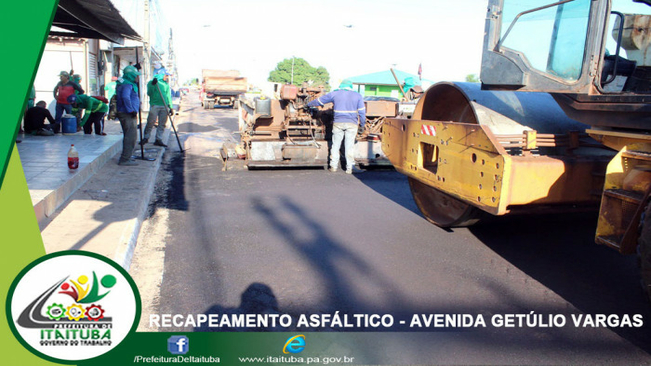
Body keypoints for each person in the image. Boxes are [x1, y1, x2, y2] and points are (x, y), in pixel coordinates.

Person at [307, 80, 366, 174]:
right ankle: (350, 168)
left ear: (341, 86)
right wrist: (362, 125)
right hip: (352, 124)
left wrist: (308, 104)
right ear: (351, 87)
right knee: (349, 146)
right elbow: (362, 112)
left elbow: (319, 101)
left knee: (335, 145)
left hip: (338, 123)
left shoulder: (335, 94)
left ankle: (333, 166)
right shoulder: (357, 96)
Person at [115, 65, 141, 166]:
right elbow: (125, 97)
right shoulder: (127, 85)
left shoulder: (125, 83)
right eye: (135, 75)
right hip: (127, 114)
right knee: (130, 137)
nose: (137, 77)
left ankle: (127, 157)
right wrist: (131, 110)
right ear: (131, 75)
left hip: (126, 113)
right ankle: (125, 159)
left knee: (129, 136)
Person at [142, 71, 173, 147]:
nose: (167, 77)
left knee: (162, 123)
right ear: (161, 75)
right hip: (155, 105)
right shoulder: (152, 82)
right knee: (151, 122)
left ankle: (158, 139)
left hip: (164, 106)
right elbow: (150, 93)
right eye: (166, 75)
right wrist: (153, 85)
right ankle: (146, 137)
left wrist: (171, 107)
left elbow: (168, 95)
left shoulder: (166, 84)